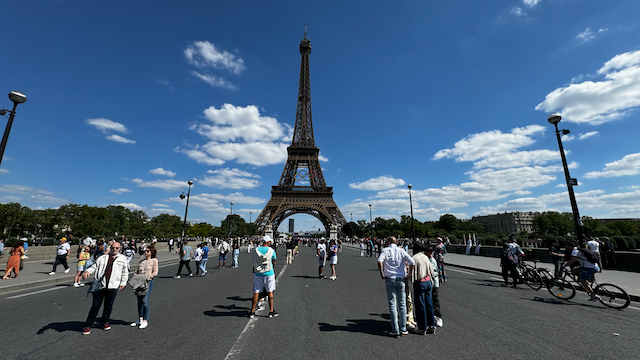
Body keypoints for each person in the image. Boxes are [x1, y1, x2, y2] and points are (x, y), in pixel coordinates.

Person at [81, 241, 128, 335]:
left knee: (108, 306)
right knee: (95, 306)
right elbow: (94, 266)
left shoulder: (122, 259)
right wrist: (87, 272)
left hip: (113, 285)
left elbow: (124, 272)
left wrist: (123, 282)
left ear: (120, 249)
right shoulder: (102, 258)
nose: (114, 249)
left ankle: (105, 322)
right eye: (112, 248)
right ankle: (88, 325)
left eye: (116, 248)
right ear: (110, 248)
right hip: (100, 285)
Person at [377, 236, 415, 338]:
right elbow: (412, 262)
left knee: (392, 304)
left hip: (390, 278)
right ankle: (403, 329)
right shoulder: (401, 250)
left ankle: (395, 330)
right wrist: (409, 275)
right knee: (402, 304)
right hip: (401, 278)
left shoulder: (385, 250)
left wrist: (382, 274)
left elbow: (379, 261)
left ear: (389, 242)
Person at [249, 236, 278, 318]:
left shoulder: (256, 250)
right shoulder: (271, 250)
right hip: (269, 273)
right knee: (270, 291)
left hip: (258, 273)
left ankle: (252, 311)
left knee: (256, 292)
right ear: (268, 242)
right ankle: (271, 311)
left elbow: (253, 260)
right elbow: (274, 261)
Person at [410, 243, 436, 335]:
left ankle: (422, 327)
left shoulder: (414, 258)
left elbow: (411, 272)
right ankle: (431, 325)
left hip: (420, 282)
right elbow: (431, 269)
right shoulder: (425, 257)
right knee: (429, 303)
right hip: (428, 281)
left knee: (420, 305)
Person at [130, 247, 158, 329]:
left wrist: (149, 276)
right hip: (139, 281)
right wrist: (135, 277)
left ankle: (145, 320)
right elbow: (137, 271)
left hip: (148, 281)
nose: (145, 252)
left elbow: (155, 272)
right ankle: (140, 319)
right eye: (145, 251)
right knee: (139, 300)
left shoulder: (154, 261)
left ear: (151, 252)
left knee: (145, 300)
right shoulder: (141, 261)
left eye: (147, 251)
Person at [425, 245, 443, 327]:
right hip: (429, 283)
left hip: (434, 283)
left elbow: (432, 272)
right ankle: (433, 315)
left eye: (425, 252)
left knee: (435, 300)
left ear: (429, 253)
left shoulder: (432, 261)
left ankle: (439, 317)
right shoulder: (428, 259)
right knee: (430, 300)